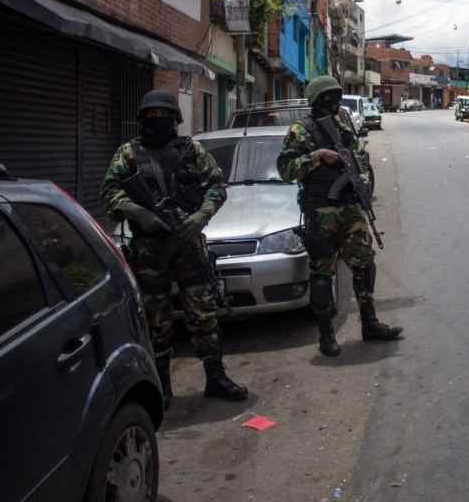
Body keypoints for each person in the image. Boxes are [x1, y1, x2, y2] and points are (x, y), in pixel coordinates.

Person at [101, 89, 248, 407]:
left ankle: (216, 378)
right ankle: (163, 386)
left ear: (175, 120)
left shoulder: (192, 150)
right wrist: (138, 212)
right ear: (142, 120)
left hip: (187, 244)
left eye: (163, 116)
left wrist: (200, 216)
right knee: (157, 320)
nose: (157, 122)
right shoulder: (128, 153)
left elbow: (217, 185)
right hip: (149, 250)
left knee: (204, 314)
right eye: (151, 117)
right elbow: (110, 192)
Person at [278, 75, 403, 357]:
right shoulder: (301, 130)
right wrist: (317, 156)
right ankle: (326, 335)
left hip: (349, 206)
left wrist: (361, 181)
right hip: (321, 209)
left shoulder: (343, 123)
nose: (335, 103)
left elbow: (359, 155)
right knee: (322, 272)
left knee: (364, 264)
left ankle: (370, 323)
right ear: (317, 100)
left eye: (337, 97)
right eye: (329, 98)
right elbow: (286, 169)